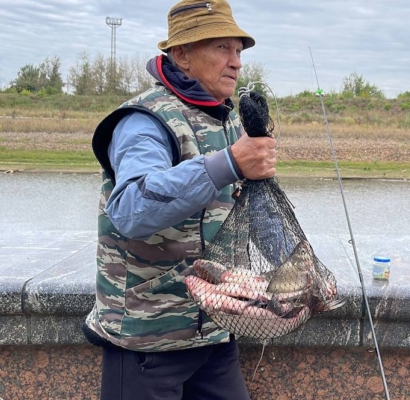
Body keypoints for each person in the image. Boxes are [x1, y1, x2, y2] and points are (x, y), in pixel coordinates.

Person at [82, 1, 275, 399]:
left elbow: (250, 209)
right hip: (146, 340)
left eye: (239, 50)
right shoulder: (144, 120)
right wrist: (229, 163)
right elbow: (132, 210)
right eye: (222, 48)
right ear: (181, 54)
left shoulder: (228, 119)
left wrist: (289, 268)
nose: (236, 62)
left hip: (216, 330)